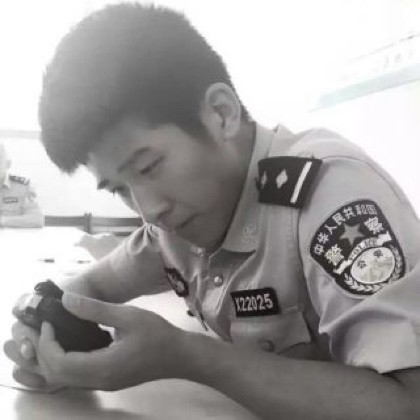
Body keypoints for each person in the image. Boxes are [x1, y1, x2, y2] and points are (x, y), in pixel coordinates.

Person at [4, 4, 420, 419]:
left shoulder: (331, 198)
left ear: (222, 113)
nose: (149, 210)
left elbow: (407, 402)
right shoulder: (177, 224)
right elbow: (90, 287)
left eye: (149, 167)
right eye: (119, 189)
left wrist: (189, 357)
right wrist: (45, 330)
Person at [0, 142, 44, 228]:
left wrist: (2, 221)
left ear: (8, 164)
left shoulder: (23, 187)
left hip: (12, 236)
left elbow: (37, 219)